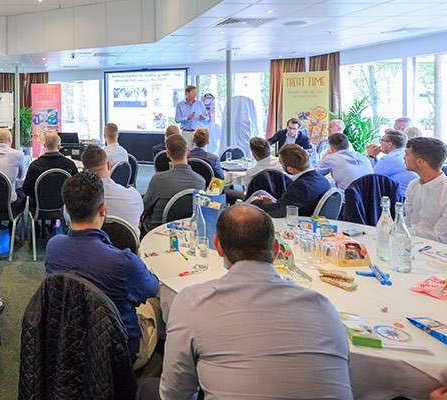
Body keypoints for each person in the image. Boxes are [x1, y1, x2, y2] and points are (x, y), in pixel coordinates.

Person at [155, 204, 351, 400]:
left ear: (219, 246)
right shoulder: (324, 307)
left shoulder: (192, 303)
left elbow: (175, 392)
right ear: (275, 248)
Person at [45, 171, 159, 361]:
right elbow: (152, 288)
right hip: (117, 351)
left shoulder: (53, 247)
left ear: (66, 209)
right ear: (103, 209)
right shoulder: (124, 262)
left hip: (70, 341)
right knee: (156, 304)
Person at [404, 137, 447, 248]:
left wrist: (403, 232)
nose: (404, 157)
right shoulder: (413, 185)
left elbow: (441, 239)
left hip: (446, 256)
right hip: (413, 245)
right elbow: (407, 220)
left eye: (407, 154)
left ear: (420, 162)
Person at [141, 134, 205, 233]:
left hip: (158, 230)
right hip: (187, 230)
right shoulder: (201, 181)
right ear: (187, 151)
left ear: (167, 153)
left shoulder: (158, 179)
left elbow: (144, 208)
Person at [249, 144, 330, 218]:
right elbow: (290, 203)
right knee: (261, 193)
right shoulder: (323, 179)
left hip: (296, 221)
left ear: (290, 169)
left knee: (250, 202)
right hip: (306, 215)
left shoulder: (301, 186)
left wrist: (256, 203)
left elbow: (279, 212)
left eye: (281, 163)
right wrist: (272, 203)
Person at [82, 145, 142, 231]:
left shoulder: (77, 202)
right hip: (127, 244)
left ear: (84, 170)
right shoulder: (134, 196)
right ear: (108, 165)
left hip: (90, 243)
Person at [22, 132, 78, 207]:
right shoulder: (70, 165)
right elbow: (76, 188)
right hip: (64, 208)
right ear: (59, 146)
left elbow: (27, 190)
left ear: (44, 145)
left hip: (40, 208)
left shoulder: (34, 165)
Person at [366, 129, 418, 198]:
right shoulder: (401, 154)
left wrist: (371, 156)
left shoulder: (389, 158)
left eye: (381, 140)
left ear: (389, 144)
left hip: (399, 198)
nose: (380, 143)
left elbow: (369, 178)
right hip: (409, 194)